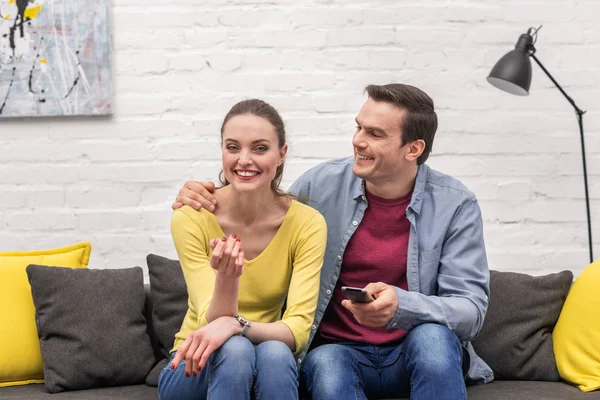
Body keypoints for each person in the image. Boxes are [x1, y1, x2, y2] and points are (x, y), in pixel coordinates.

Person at [172, 84, 493, 400]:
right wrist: (201, 192)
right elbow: (262, 197)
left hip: (411, 349)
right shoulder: (321, 184)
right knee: (325, 364)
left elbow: (471, 310)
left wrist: (403, 306)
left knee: (434, 340)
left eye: (375, 134)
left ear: (414, 149)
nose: (358, 141)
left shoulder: (455, 204)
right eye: (358, 127)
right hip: (339, 350)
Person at [158, 99, 327, 400]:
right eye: (233, 147)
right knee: (235, 350)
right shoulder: (191, 217)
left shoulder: (307, 224)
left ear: (281, 154)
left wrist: (237, 325)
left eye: (260, 148)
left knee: (274, 352)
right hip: (192, 364)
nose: (244, 160)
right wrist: (226, 278)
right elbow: (212, 319)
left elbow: (297, 332)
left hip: (268, 360)